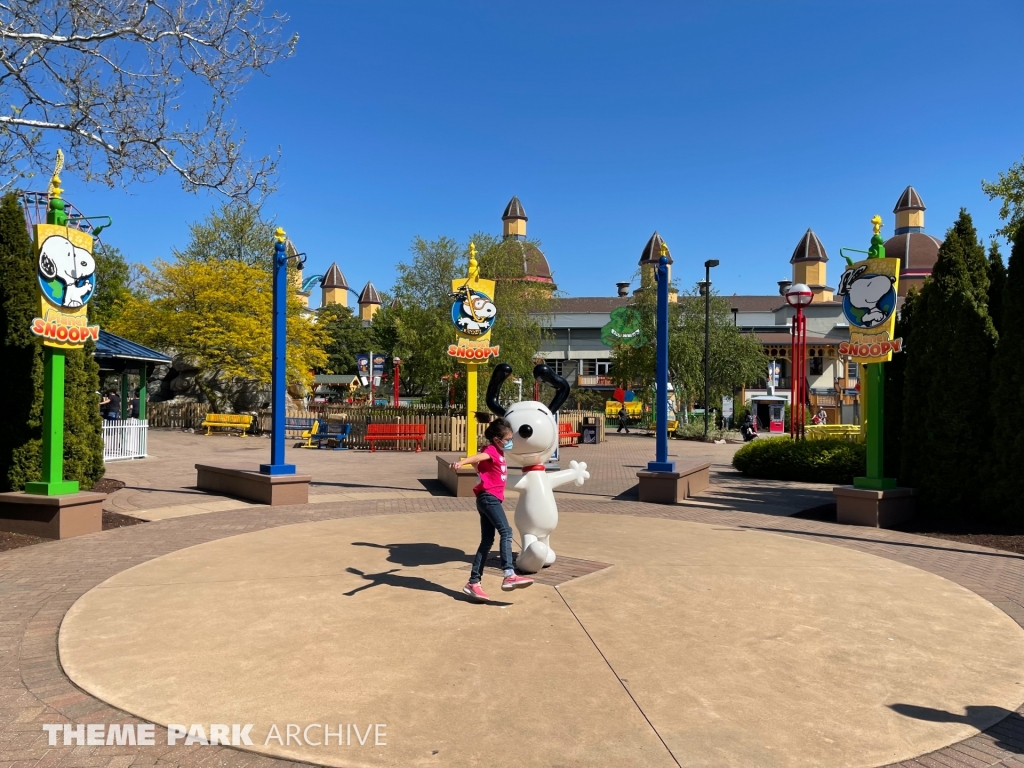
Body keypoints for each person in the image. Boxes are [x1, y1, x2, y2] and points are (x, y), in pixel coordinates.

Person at [450, 418, 534, 602]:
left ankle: (473, 582)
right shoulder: (491, 451)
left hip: (487, 499)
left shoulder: (498, 453)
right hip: (489, 498)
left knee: (487, 541)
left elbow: (479, 466)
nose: (510, 442)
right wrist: (461, 463)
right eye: (508, 439)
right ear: (497, 440)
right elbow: (477, 457)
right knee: (506, 531)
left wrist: (474, 466)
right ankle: (509, 573)